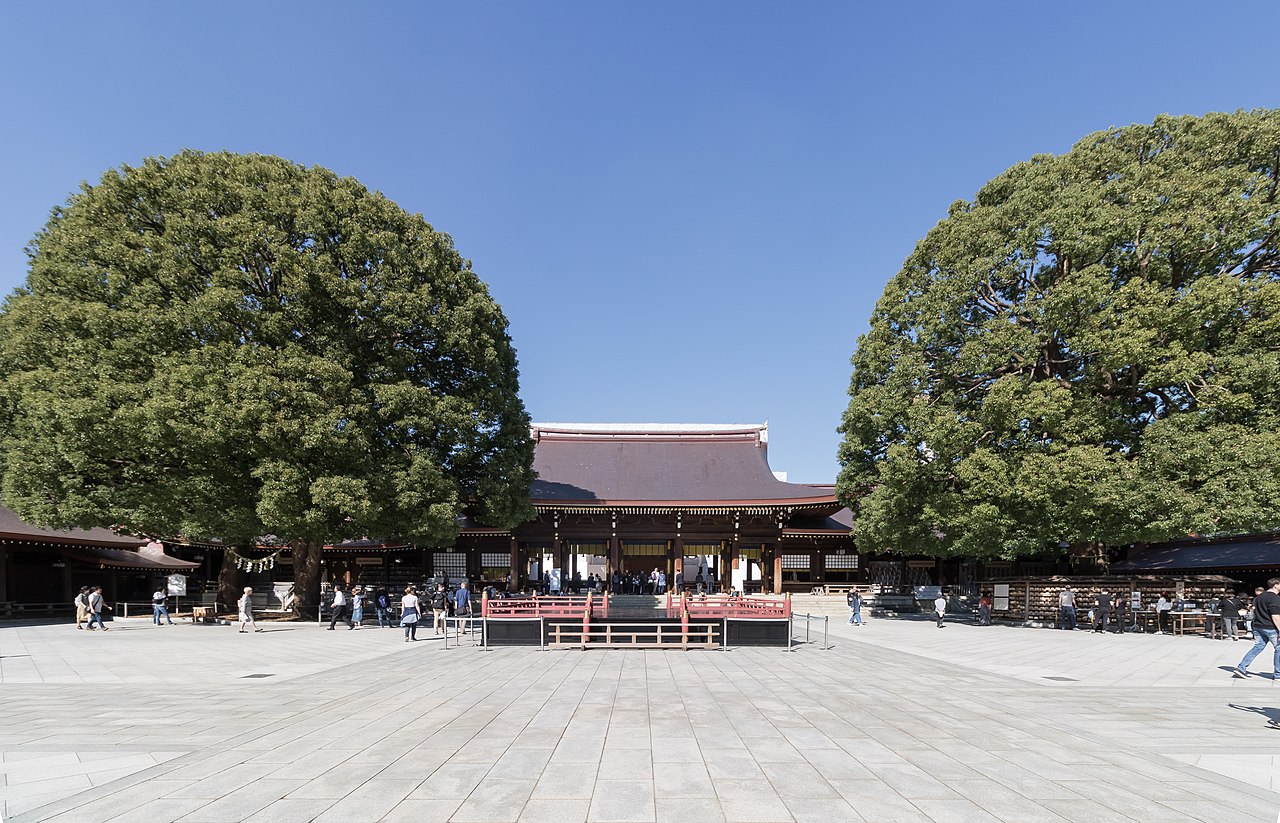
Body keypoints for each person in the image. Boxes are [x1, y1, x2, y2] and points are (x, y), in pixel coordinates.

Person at [1233, 577, 1280, 679]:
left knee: (1257, 647)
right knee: (1279, 648)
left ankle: (1241, 667)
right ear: (1275, 585)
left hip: (1258, 626)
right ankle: (1278, 674)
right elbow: (1275, 616)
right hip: (1271, 627)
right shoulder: (1275, 598)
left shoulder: (1258, 598)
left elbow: (1254, 611)